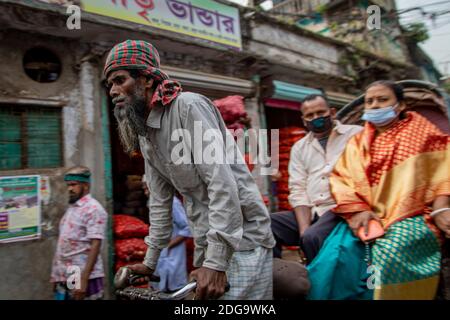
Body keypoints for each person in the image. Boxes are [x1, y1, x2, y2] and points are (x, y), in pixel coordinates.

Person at [104, 40, 275, 300]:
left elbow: (222, 184)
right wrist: (150, 262)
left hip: (243, 241)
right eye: (110, 85)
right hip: (207, 244)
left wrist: (216, 264)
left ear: (147, 79)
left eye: (120, 80)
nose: (113, 91)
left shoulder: (188, 107)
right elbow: (160, 204)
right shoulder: (146, 135)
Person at [308, 80, 450, 300]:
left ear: (400, 105)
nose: (374, 105)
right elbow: (341, 179)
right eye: (370, 101)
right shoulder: (358, 141)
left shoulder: (423, 132)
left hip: (413, 215)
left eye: (383, 100)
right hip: (365, 214)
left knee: (392, 250)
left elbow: (444, 171)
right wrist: (357, 211)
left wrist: (441, 208)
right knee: (334, 255)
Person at [271, 94, 362, 263]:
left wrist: (307, 235)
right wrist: (303, 229)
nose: (316, 118)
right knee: (265, 225)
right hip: (313, 211)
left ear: (332, 112)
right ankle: (275, 278)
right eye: (310, 115)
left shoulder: (355, 135)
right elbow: (298, 189)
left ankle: (319, 283)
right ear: (304, 120)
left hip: (341, 208)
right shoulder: (299, 147)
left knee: (313, 237)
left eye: (321, 112)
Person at [50, 166, 108, 300]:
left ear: (86, 186)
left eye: (74, 185)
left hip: (81, 273)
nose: (70, 189)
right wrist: (56, 275)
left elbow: (96, 244)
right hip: (67, 273)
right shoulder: (73, 208)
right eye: (68, 185)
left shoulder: (93, 209)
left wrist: (84, 279)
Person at [142, 175, 191, 292]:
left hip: (172, 253)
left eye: (147, 189)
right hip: (162, 254)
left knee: (173, 289)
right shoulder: (154, 203)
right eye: (143, 189)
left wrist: (169, 245)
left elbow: (187, 228)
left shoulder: (172, 203)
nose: (145, 192)